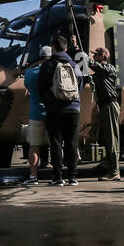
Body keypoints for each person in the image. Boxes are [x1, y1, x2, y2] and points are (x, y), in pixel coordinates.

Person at [38, 34, 85, 186]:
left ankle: (58, 177)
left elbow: (41, 87)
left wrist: (49, 101)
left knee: (56, 143)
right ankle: (73, 177)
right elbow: (80, 84)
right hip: (73, 109)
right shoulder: (74, 64)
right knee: (72, 143)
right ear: (65, 48)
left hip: (54, 109)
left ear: (53, 48)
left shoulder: (47, 65)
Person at [88, 46, 122, 181]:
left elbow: (94, 66)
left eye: (96, 55)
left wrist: (82, 55)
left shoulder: (109, 68)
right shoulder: (100, 72)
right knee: (106, 138)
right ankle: (108, 164)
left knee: (112, 139)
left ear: (104, 56)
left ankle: (115, 172)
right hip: (104, 106)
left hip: (110, 105)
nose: (94, 57)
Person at [23, 46, 51, 185]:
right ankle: (59, 176)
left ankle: (33, 176)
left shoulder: (29, 74)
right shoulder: (53, 72)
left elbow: (27, 88)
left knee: (34, 146)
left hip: (35, 112)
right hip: (52, 112)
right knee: (57, 144)